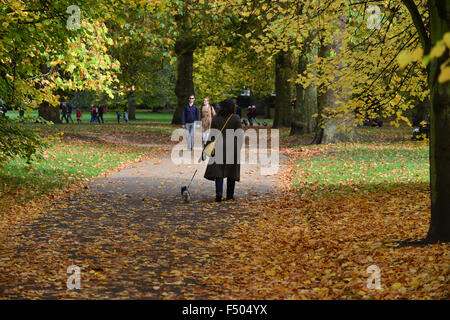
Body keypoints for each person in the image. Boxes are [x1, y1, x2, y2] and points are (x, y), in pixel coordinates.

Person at [204, 99, 243, 202]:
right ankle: (230, 196)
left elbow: (212, 134)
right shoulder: (235, 118)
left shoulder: (216, 118)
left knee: (218, 172)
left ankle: (219, 195)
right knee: (231, 172)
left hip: (218, 146)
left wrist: (207, 146)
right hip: (232, 147)